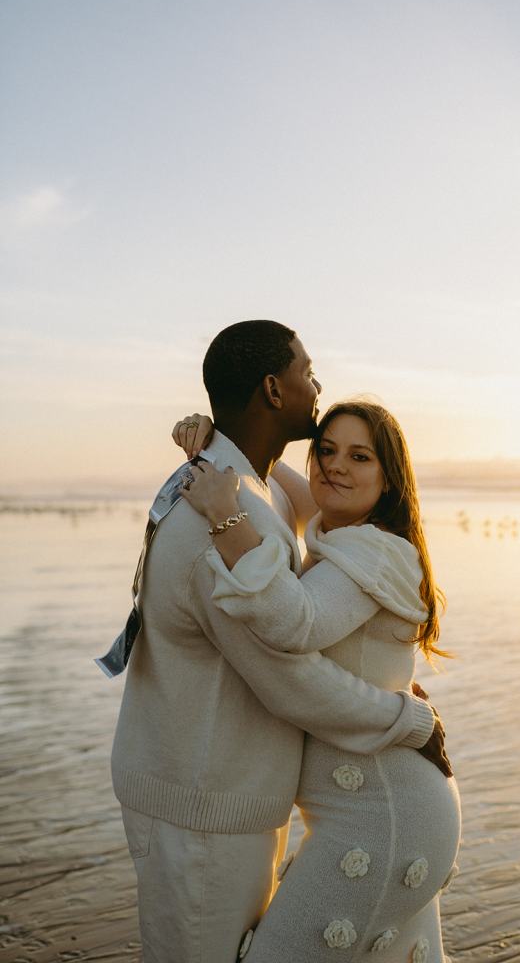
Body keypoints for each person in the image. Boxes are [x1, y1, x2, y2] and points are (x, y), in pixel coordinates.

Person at [109, 320, 448, 963]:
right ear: (273, 387)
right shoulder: (223, 520)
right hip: (203, 810)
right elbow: (291, 674)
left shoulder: (251, 495)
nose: (316, 384)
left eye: (359, 455)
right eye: (307, 371)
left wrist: (210, 439)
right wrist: (409, 717)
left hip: (230, 802)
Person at [176, 398, 461, 962]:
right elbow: (270, 472)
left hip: (382, 815)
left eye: (360, 456)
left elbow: (294, 622)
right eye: (326, 451)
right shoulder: (344, 522)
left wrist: (225, 519)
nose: (336, 466)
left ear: (389, 479)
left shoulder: (372, 551)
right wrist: (218, 437)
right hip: (379, 805)